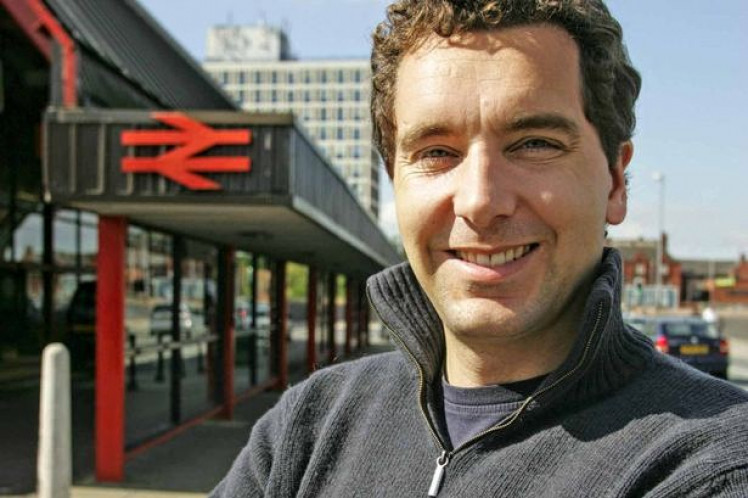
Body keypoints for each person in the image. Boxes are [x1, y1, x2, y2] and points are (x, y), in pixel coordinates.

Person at [211, 1, 748, 496]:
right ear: (395, 183)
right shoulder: (309, 427)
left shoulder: (710, 466)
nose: (480, 201)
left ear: (614, 182)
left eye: (534, 144)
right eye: (437, 151)